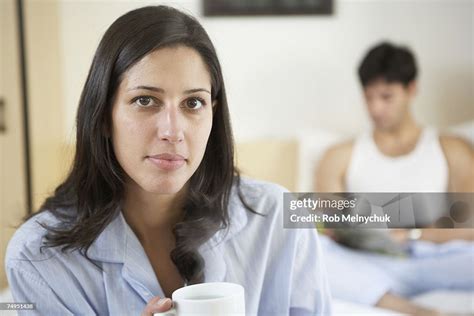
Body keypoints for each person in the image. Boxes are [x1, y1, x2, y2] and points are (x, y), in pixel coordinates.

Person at [5, 6, 330, 316]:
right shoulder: (37, 258)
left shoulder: (276, 217)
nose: (173, 131)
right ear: (104, 114)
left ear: (213, 114)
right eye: (145, 100)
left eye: (193, 103)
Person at [316, 42, 474, 315]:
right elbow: (326, 223)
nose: (376, 108)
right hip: (371, 263)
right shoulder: (338, 156)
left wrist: (411, 234)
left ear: (411, 89)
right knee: (314, 252)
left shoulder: (451, 148)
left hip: (436, 257)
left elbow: (470, 226)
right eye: (369, 97)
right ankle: (411, 310)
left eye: (386, 97)